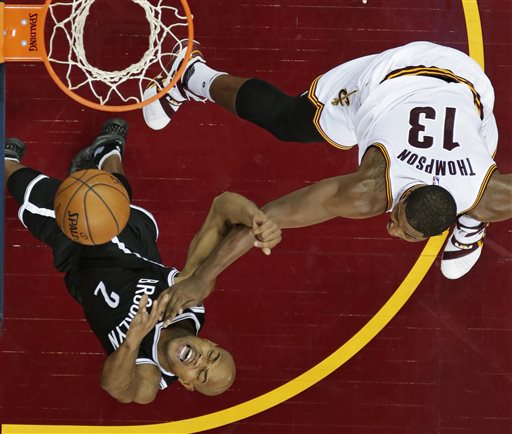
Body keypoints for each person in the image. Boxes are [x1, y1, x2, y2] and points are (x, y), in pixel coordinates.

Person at [142, 40, 511, 283]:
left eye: (406, 236)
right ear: (399, 197)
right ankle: (190, 76)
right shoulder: (367, 192)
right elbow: (272, 214)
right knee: (289, 121)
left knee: (480, 164)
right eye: (400, 224)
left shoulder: (493, 195)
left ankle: (471, 222)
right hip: (392, 78)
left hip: (469, 88)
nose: (392, 231)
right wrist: (203, 279)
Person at [4, 118, 281, 404]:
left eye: (200, 374)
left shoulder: (148, 377)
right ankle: (9, 161)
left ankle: (107, 151)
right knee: (49, 201)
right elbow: (223, 206)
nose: (200, 360)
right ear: (209, 342)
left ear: (186, 383)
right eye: (211, 355)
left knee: (110, 196)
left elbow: (114, 386)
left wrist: (133, 340)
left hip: (84, 274)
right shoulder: (188, 298)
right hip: (120, 238)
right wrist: (255, 218)